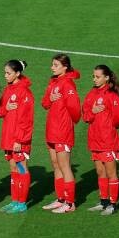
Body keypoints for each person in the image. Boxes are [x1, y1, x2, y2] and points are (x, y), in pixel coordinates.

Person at [41, 54, 82, 214]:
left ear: (65, 67)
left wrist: (66, 124)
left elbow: (75, 110)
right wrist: (50, 98)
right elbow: (44, 103)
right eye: (52, 64)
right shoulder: (53, 82)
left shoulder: (68, 84)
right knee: (56, 164)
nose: (52, 67)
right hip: (52, 130)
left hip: (62, 131)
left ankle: (70, 203)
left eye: (56, 65)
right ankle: (61, 199)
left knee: (64, 166)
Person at [83, 65, 119, 216]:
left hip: (108, 141)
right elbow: (85, 116)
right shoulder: (91, 94)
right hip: (94, 140)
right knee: (100, 172)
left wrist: (107, 127)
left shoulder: (111, 95)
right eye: (93, 76)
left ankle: (113, 205)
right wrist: (92, 112)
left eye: (98, 76)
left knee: (111, 173)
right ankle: (104, 201)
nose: (94, 79)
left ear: (106, 78)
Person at [0, 60, 35, 214]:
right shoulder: (8, 90)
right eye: (5, 73)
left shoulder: (24, 92)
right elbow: (0, 112)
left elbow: (26, 119)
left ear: (18, 73)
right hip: (8, 136)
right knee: (13, 168)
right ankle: (15, 201)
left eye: (9, 73)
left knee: (21, 168)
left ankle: (22, 203)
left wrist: (20, 140)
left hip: (19, 139)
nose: (5, 76)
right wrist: (5, 108)